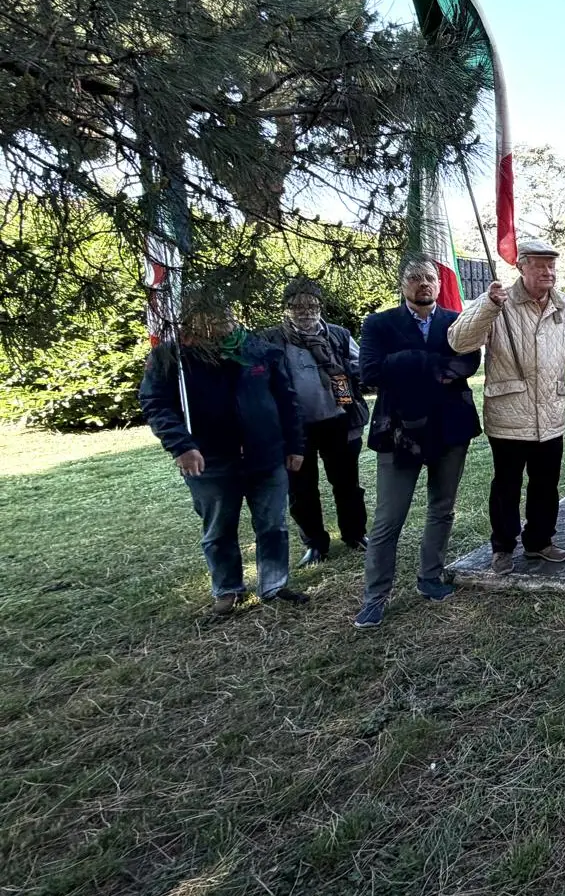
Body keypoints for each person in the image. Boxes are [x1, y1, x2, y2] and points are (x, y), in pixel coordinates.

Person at [139, 293, 307, 615]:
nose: (224, 318)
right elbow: (156, 404)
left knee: (273, 525)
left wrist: (295, 446)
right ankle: (228, 590)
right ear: (193, 319)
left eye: (227, 310)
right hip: (210, 460)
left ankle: (274, 586)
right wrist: (181, 445)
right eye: (213, 313)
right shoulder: (172, 357)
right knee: (219, 530)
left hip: (266, 455)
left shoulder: (257, 349)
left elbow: (287, 401)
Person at [354, 257, 481, 628]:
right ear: (402, 283)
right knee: (388, 518)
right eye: (415, 277)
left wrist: (404, 365)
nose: (423, 283)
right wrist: (430, 363)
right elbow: (370, 372)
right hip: (399, 432)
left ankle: (430, 577)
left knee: (442, 508)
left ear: (438, 284)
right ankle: (375, 597)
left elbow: (469, 363)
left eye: (429, 277)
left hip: (450, 428)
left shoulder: (456, 321)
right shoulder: (379, 324)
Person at [448, 239, 565, 573]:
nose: (548, 271)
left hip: (550, 413)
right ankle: (503, 546)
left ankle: (540, 541)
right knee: (506, 486)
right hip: (509, 414)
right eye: (539, 265)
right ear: (521, 266)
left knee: (546, 484)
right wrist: (488, 306)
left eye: (551, 265)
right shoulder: (498, 301)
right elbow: (459, 341)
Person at [259, 278, 368, 566]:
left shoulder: (338, 335)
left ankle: (355, 534)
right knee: (301, 489)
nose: (305, 312)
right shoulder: (271, 340)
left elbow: (361, 366)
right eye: (298, 306)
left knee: (347, 483)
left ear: (320, 307)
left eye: (312, 305)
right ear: (286, 308)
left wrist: (356, 375)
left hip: (339, 420)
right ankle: (315, 544)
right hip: (295, 430)